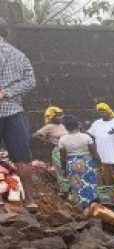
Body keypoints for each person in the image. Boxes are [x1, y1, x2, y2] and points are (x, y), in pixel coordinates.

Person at [0, 18, 38, 212]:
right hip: (14, 111)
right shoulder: (19, 55)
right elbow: (31, 81)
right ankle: (30, 200)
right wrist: (7, 93)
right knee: (22, 158)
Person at [57, 114, 100, 208]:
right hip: (86, 163)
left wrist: (64, 169)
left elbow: (63, 158)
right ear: (78, 124)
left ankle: (80, 206)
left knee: (77, 186)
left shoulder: (62, 139)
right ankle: (92, 205)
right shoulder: (86, 137)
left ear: (66, 127)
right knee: (89, 184)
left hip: (72, 164)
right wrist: (99, 164)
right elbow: (94, 154)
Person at [87, 102, 114, 188]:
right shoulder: (97, 123)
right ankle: (110, 197)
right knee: (106, 179)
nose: (102, 113)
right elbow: (90, 134)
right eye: (100, 112)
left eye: (104, 111)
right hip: (103, 156)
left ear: (109, 111)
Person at [33, 106, 69, 192]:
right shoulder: (49, 127)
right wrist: (47, 140)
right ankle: (64, 191)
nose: (61, 117)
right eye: (58, 115)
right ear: (52, 117)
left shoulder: (62, 125)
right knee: (61, 171)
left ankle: (70, 189)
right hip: (58, 151)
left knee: (68, 170)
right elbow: (35, 135)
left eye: (61, 115)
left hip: (67, 150)